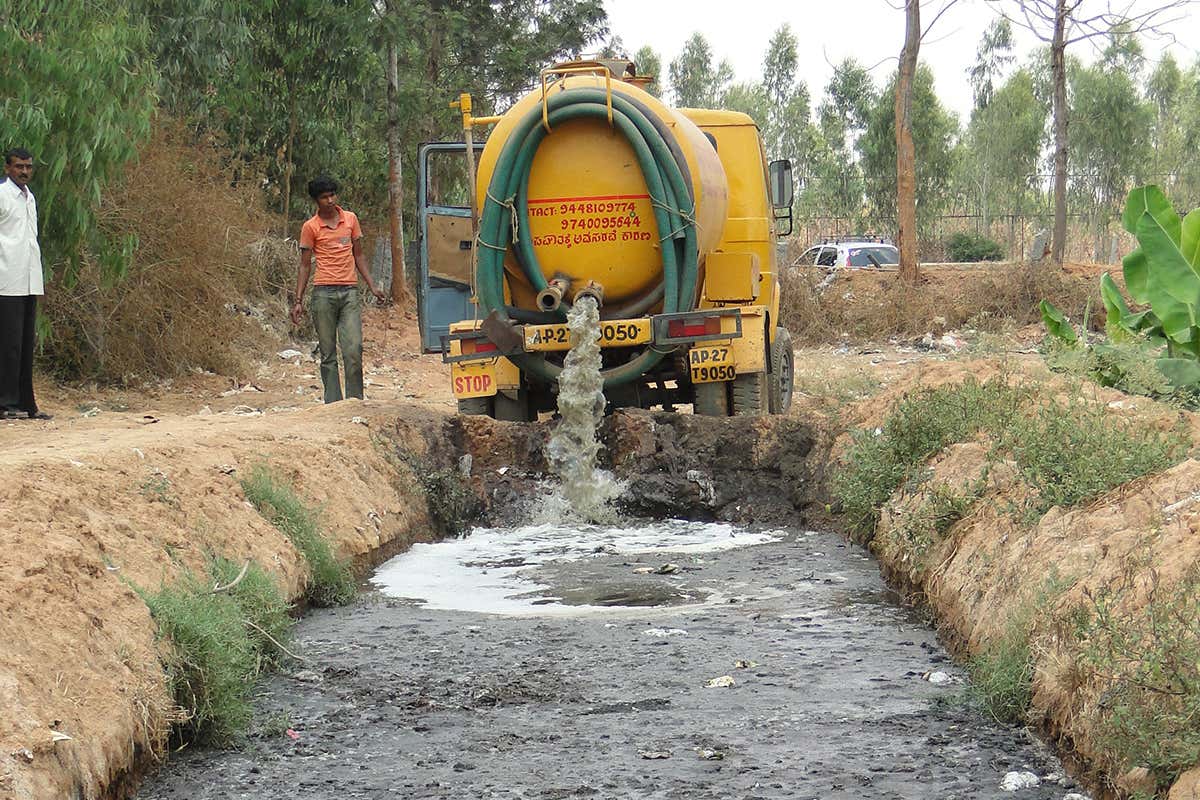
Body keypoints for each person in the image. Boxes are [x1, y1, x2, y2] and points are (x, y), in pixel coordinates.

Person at [292, 176, 386, 403]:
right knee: (328, 354)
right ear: (316, 200)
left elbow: (359, 255)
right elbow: (305, 265)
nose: (330, 200)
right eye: (324, 197)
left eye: (333, 195)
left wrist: (372, 286)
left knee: (353, 350)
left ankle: (355, 402)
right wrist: (298, 301)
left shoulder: (350, 220)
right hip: (323, 294)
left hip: (349, 293)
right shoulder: (310, 227)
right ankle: (333, 404)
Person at [0, 147, 50, 420]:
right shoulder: (2, 194)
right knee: (8, 345)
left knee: (24, 344)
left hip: (28, 279)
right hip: (6, 280)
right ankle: (5, 404)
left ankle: (25, 404)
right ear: (7, 168)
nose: (24, 171)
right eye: (19, 166)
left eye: (28, 166)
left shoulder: (29, 198)